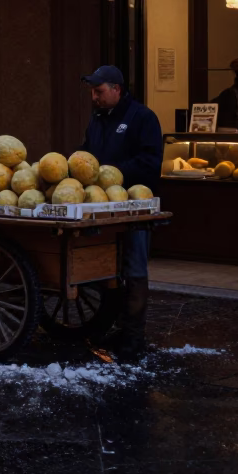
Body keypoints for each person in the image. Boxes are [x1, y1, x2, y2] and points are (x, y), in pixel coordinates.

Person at [80, 65, 162, 362]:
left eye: (99, 91)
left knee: (135, 269)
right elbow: (87, 153)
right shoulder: (98, 119)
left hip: (134, 207)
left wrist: (110, 174)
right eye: (92, 91)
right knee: (108, 270)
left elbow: (150, 162)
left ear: (117, 89)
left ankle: (133, 336)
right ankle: (113, 326)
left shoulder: (142, 117)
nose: (94, 97)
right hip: (103, 209)